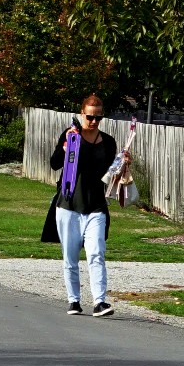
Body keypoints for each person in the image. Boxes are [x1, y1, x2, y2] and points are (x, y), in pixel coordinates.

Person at [49, 94, 128, 316]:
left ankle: (99, 301)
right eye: (90, 117)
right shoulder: (71, 136)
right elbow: (54, 164)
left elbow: (111, 175)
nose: (94, 122)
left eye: (98, 118)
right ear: (81, 114)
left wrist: (123, 165)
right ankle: (73, 300)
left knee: (96, 254)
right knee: (70, 256)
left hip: (96, 206)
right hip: (68, 205)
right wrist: (64, 148)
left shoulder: (108, 142)